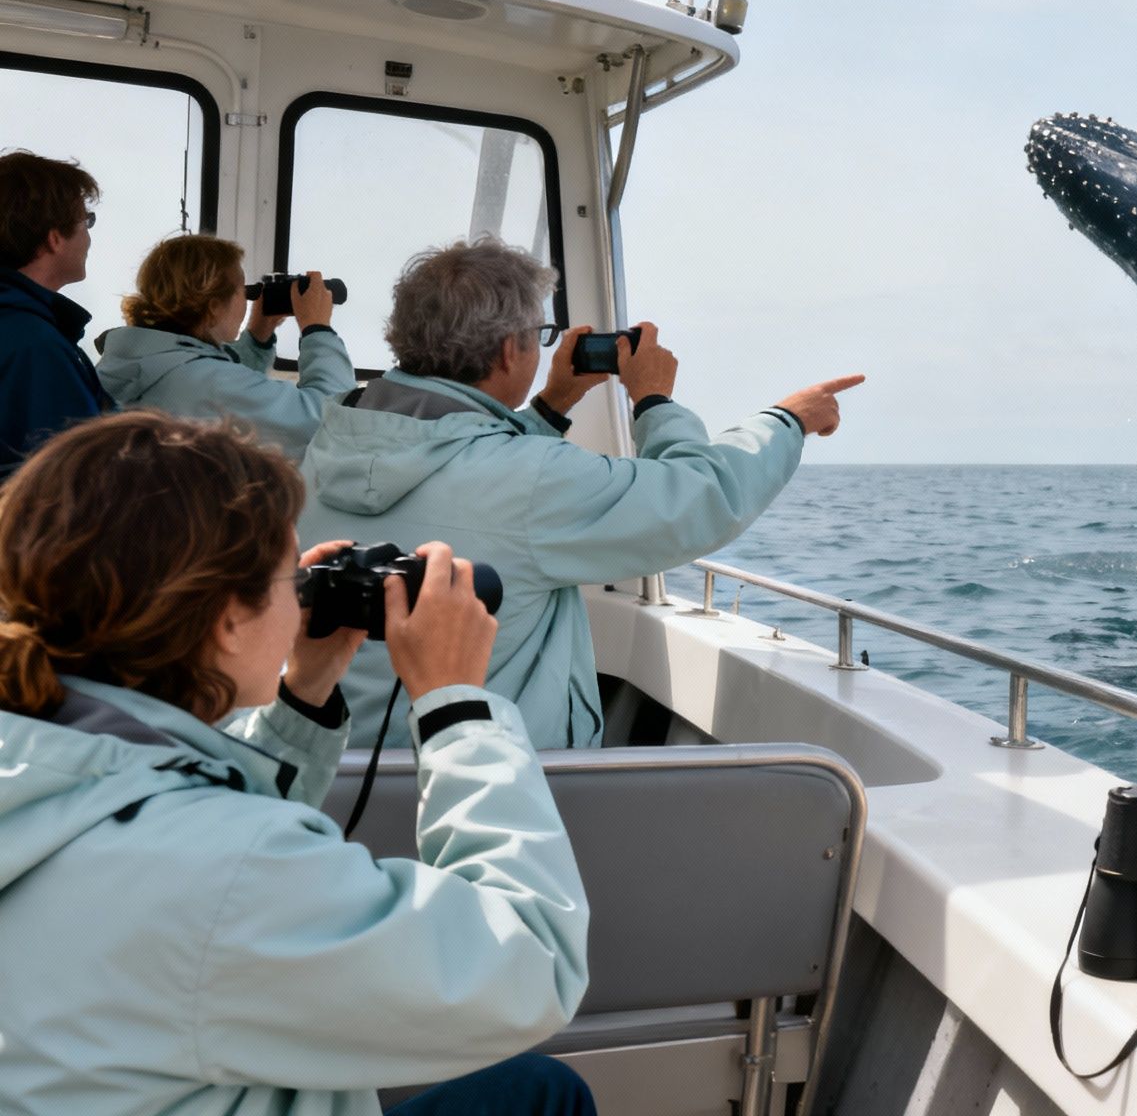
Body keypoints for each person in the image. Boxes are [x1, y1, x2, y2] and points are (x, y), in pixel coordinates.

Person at [0, 411, 594, 1115]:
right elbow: (529, 967)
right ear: (226, 620)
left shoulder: (42, 761)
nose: (301, 597)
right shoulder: (220, 871)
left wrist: (303, 693)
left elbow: (184, 824)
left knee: (537, 1090)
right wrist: (454, 702)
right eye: (289, 578)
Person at [299, 237, 863, 748]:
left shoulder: (327, 445)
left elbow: (463, 464)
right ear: (507, 352)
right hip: (484, 784)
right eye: (538, 336)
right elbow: (701, 498)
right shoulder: (533, 479)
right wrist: (753, 415)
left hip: (339, 774)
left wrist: (552, 404)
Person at [95, 235, 355, 461]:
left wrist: (257, 336)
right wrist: (317, 329)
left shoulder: (140, 361)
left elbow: (221, 386)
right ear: (213, 307)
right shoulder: (203, 382)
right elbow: (330, 420)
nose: (247, 301)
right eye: (242, 291)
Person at [0, 150, 114, 476]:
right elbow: (74, 480)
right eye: (85, 222)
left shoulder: (26, 326)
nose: (89, 237)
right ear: (54, 239)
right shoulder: (34, 345)